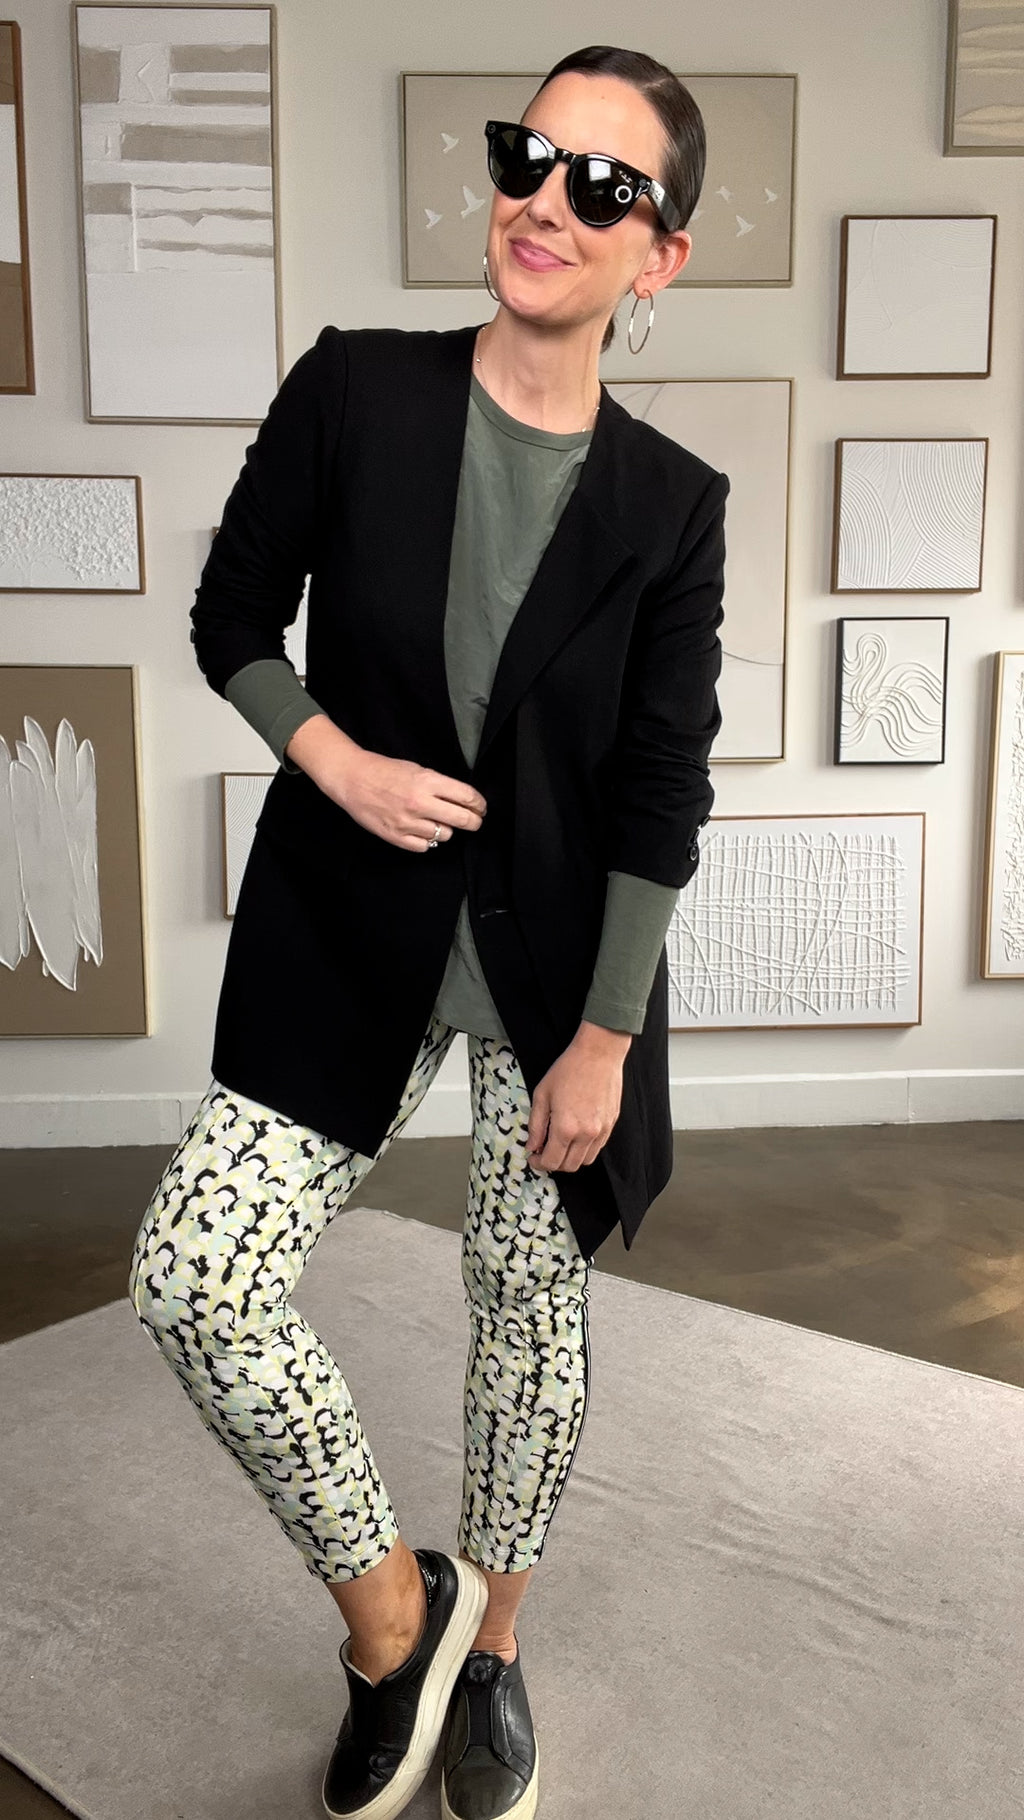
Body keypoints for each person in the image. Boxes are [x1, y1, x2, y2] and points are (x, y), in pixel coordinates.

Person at [129, 42, 728, 1820]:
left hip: (563, 979)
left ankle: (500, 1650)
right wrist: (332, 760)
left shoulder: (671, 505)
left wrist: (606, 1037)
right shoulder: (355, 390)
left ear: (660, 255)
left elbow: (660, 788)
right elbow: (234, 614)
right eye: (527, 157)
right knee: (195, 1277)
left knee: (522, 1311)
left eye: (601, 185)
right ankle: (403, 1620)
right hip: (348, 932)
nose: (546, 201)